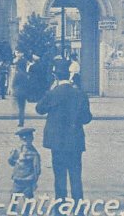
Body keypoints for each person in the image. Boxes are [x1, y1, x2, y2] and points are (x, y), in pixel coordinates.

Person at [35, 67, 92, 207]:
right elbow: (86, 118)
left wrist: (50, 90)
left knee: (59, 175)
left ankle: (60, 206)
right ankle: (78, 207)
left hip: (57, 142)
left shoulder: (52, 93)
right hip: (75, 141)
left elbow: (39, 109)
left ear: (56, 77)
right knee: (75, 175)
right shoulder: (80, 94)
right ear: (70, 76)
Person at [8, 127, 41, 199]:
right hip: (17, 180)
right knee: (13, 200)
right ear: (20, 139)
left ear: (32, 139)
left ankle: (27, 210)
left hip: (28, 181)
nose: (25, 140)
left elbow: (37, 169)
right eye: (23, 139)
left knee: (27, 201)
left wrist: (35, 182)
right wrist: (13, 158)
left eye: (27, 139)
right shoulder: (17, 150)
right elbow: (11, 162)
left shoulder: (34, 153)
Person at [12, 56, 30, 127]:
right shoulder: (26, 74)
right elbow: (28, 84)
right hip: (24, 92)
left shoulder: (18, 74)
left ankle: (20, 121)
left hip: (18, 92)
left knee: (20, 108)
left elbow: (14, 84)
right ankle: (21, 121)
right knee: (22, 108)